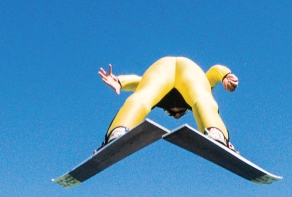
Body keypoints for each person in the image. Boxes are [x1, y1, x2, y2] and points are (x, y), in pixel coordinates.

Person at [98, 57, 239, 147]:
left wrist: (121, 81)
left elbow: (140, 82)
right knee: (203, 100)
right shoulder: (195, 92)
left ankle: (117, 131)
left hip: (162, 68)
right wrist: (224, 75)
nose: (177, 115)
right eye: (178, 113)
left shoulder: (161, 96)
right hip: (188, 71)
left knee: (143, 96)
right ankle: (217, 133)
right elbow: (212, 74)